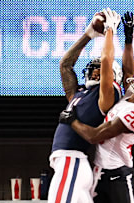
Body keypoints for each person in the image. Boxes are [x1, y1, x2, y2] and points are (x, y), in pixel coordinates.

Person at [58, 12, 134, 203]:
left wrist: (71, 120)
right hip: (99, 171)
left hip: (118, 175)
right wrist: (129, 38)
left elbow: (95, 136)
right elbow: (128, 71)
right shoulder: (133, 98)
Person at [47, 8, 122, 203]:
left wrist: (109, 31)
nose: (95, 72)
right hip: (71, 165)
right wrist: (88, 34)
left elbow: (107, 60)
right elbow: (65, 65)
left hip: (72, 162)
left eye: (100, 70)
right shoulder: (80, 93)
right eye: (94, 68)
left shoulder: (107, 95)